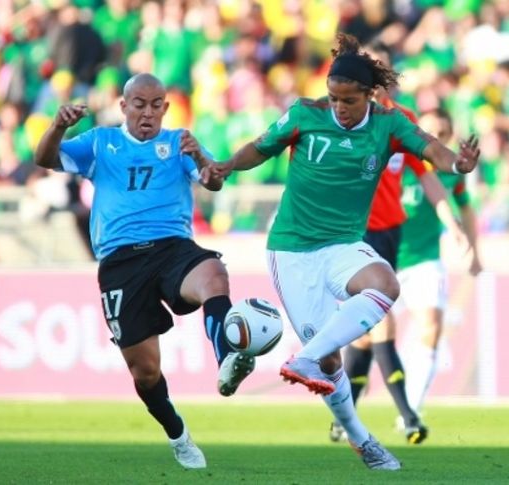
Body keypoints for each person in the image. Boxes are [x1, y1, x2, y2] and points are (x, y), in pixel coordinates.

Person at [206, 33, 480, 471]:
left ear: (370, 95)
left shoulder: (388, 124)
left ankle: (306, 356)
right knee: (332, 360)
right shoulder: (304, 114)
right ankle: (361, 438)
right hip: (292, 250)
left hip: (344, 244)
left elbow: (430, 149)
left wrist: (458, 163)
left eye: (348, 100)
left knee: (384, 284)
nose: (338, 107)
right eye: (333, 98)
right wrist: (225, 166)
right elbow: (259, 148)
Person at [34, 73, 256, 470]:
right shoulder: (101, 143)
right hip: (121, 261)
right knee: (146, 371)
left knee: (214, 275)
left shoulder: (179, 142)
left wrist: (203, 160)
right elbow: (45, 159)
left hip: (172, 246)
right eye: (139, 104)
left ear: (166, 108)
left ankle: (228, 358)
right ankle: (178, 434)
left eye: (156, 105)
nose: (148, 113)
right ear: (124, 106)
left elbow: (213, 182)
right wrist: (58, 126)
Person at [331, 41, 468, 446]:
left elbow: (426, 175)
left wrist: (452, 222)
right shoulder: (338, 119)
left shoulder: (401, 121)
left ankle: (344, 416)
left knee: (362, 334)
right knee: (379, 324)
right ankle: (409, 416)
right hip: (353, 234)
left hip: (390, 232)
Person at [398, 108, 482, 417]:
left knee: (431, 327)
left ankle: (410, 411)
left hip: (423, 258)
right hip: (381, 259)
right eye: (428, 132)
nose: (434, 139)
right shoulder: (397, 161)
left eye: (441, 133)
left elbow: (467, 210)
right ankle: (348, 400)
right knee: (367, 338)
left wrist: (475, 250)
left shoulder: (449, 175)